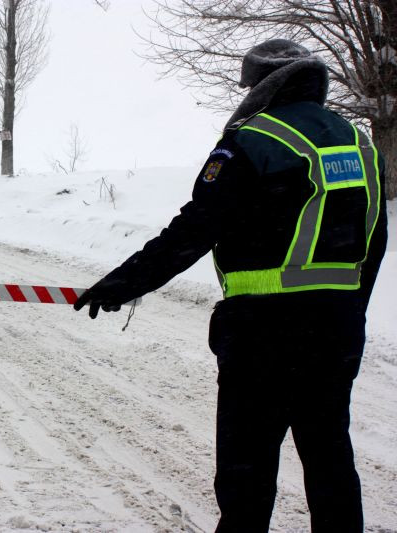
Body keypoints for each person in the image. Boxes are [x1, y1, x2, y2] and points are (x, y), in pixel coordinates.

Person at [74, 39, 388, 532]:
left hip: (263, 333)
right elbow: (375, 241)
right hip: (337, 331)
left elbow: (195, 229)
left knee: (247, 469)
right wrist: (350, 313)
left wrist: (122, 284)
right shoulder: (360, 144)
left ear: (263, 85)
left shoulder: (252, 140)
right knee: (330, 462)